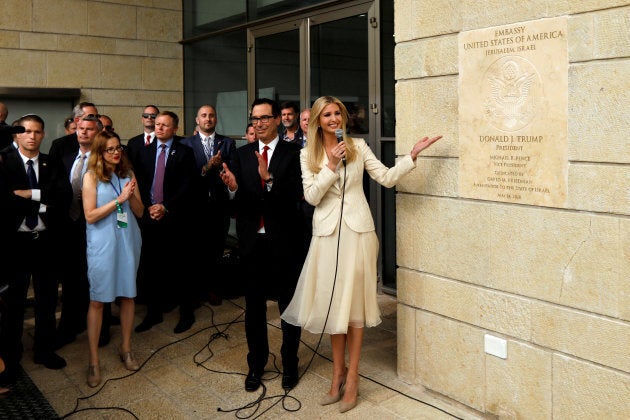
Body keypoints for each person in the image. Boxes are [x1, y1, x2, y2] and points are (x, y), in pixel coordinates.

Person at [281, 95, 442, 413]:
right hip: (327, 236)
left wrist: (411, 157)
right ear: (317, 120)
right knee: (334, 308)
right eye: (326, 114)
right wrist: (329, 166)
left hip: (359, 234)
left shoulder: (359, 148)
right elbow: (312, 197)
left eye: (337, 113)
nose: (333, 119)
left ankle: (353, 377)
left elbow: (385, 177)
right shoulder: (306, 154)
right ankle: (336, 372)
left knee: (353, 309)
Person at [220, 98, 303, 392]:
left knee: (288, 307)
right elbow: (240, 205)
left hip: (284, 242)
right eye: (255, 118)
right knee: (254, 307)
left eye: (265, 118)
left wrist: (268, 180)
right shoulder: (242, 155)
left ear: (278, 120)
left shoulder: (294, 154)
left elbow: (296, 197)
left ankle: (290, 363)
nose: (259, 123)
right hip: (252, 243)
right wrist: (233, 189)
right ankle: (256, 364)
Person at [0, 115, 71, 390]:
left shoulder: (51, 161)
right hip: (14, 244)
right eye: (26, 131)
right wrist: (44, 199)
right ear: (17, 135)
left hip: (45, 241)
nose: (32, 136)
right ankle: (11, 355)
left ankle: (44, 350)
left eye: (37, 132)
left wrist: (30, 195)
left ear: (43, 135)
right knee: (14, 303)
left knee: (46, 299)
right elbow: (5, 201)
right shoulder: (4, 161)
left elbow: (63, 196)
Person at [82, 131, 143, 387]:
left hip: (128, 239)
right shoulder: (91, 176)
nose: (116, 153)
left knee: (128, 295)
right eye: (110, 149)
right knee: (98, 300)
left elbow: (139, 212)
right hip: (103, 243)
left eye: (119, 148)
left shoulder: (128, 174)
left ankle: (126, 348)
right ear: (99, 152)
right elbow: (90, 215)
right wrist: (118, 201)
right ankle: (94, 361)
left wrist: (131, 197)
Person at [134, 111, 198, 334]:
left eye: (164, 125)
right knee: (152, 268)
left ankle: (186, 314)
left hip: (176, 218)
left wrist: (166, 206)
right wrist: (150, 207)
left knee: (181, 268)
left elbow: (188, 186)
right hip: (150, 218)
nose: (158, 127)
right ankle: (153, 314)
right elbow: (141, 182)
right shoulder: (144, 151)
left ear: (175, 129)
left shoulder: (185, 152)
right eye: (157, 123)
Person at [181, 105, 235, 306]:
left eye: (211, 115)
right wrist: (206, 167)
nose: (208, 119)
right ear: (197, 120)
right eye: (203, 115)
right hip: (195, 207)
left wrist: (220, 165)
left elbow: (233, 170)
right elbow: (186, 175)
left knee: (217, 249)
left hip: (219, 205)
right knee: (195, 250)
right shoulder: (186, 144)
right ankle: (196, 291)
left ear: (216, 119)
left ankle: (213, 289)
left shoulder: (227, 143)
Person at [126, 105, 159, 170]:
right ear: (142, 119)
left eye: (153, 116)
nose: (149, 118)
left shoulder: (163, 141)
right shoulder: (132, 142)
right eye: (146, 115)